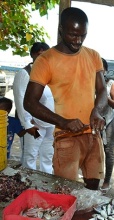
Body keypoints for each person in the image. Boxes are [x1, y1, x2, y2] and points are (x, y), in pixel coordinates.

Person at [23, 7, 108, 190]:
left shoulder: (93, 56)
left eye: (82, 36)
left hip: (93, 135)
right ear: (61, 30)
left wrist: (97, 111)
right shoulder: (46, 60)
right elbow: (29, 102)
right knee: (65, 192)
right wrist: (63, 121)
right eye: (72, 35)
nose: (78, 41)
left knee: (93, 189)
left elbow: (102, 91)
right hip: (66, 137)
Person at [13, 42, 55, 174]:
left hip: (49, 125)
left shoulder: (48, 74)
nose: (44, 58)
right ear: (33, 55)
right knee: (30, 156)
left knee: (47, 156)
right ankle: (28, 186)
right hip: (34, 126)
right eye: (40, 54)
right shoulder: (24, 74)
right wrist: (27, 124)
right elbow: (20, 98)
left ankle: (45, 185)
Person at [100, 58, 114, 193]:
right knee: (94, 152)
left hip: (109, 121)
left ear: (105, 70)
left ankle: (106, 181)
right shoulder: (88, 83)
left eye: (101, 69)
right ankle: (93, 177)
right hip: (95, 122)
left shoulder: (111, 84)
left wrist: (103, 96)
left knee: (108, 152)